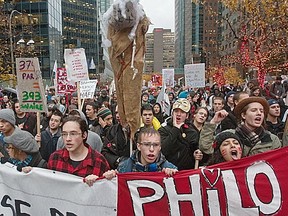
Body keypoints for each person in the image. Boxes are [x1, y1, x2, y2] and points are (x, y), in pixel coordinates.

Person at [200, 97, 282, 157]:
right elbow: (206, 147)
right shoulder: (229, 135)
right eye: (254, 110)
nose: (259, 113)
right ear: (243, 115)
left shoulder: (272, 140)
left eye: (261, 111)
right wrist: (213, 122)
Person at [48, 116, 110, 186]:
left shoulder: (99, 161)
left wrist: (100, 182)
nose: (68, 139)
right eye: (64, 134)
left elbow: (107, 191)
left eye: (73, 134)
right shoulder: (55, 158)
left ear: (84, 135)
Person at [103, 128, 178, 179]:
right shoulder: (124, 167)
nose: (151, 149)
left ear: (160, 147)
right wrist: (110, 178)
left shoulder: (170, 168)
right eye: (146, 144)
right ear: (139, 146)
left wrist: (174, 176)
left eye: (155, 145)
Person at [159, 98, 202, 170]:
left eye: (182, 112)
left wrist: (196, 154)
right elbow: (163, 150)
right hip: (167, 172)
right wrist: (175, 129)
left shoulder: (192, 132)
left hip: (185, 172)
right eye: (176, 111)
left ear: (187, 115)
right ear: (172, 113)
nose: (178, 114)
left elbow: (195, 151)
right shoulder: (163, 130)